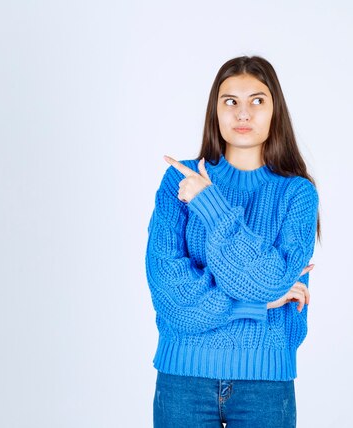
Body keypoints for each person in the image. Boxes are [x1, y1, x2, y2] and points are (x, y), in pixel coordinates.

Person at [145, 55, 320, 427]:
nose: (244, 113)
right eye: (231, 102)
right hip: (183, 380)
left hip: (265, 385)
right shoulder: (179, 180)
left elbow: (269, 279)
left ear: (275, 112)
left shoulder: (297, 194)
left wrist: (209, 203)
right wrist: (258, 306)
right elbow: (172, 299)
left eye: (257, 101)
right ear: (216, 111)